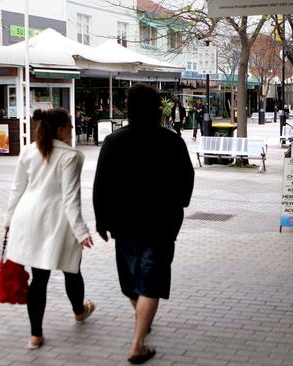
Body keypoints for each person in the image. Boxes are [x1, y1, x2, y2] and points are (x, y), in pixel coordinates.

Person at [93, 84, 194, 364]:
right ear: (157, 109)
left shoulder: (114, 142)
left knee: (131, 280)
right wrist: (180, 204)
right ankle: (140, 333)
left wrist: (102, 220)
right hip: (161, 224)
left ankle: (139, 333)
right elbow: (187, 180)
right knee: (151, 280)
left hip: (124, 224)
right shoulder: (172, 141)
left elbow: (101, 185)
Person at [4, 108, 95, 350]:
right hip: (58, 221)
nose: (73, 129)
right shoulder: (70, 157)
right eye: (70, 126)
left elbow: (16, 189)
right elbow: (70, 199)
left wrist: (9, 219)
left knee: (39, 278)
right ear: (60, 130)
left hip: (28, 218)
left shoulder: (28, 151)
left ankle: (35, 335)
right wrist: (81, 231)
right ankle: (79, 311)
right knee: (71, 268)